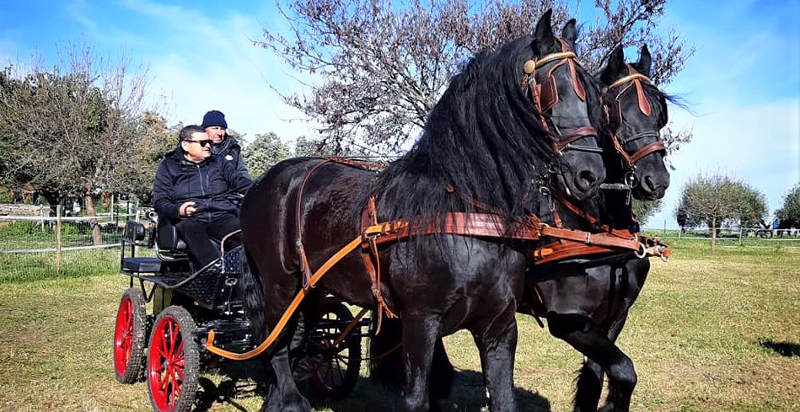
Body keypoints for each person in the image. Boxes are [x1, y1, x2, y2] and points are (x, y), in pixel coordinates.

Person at [152, 125, 252, 271]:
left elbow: (241, 182)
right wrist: (178, 210)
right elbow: (160, 201)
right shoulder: (168, 166)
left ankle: (248, 276)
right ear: (185, 145)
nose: (208, 146)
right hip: (189, 220)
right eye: (202, 143)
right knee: (190, 228)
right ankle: (215, 273)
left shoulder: (220, 162)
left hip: (221, 216)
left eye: (209, 143)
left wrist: (260, 189)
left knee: (246, 233)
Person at [201, 110, 249, 178]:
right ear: (205, 129)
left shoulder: (233, 148)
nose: (219, 133)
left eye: (222, 129)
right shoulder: (195, 146)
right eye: (215, 128)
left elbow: (242, 172)